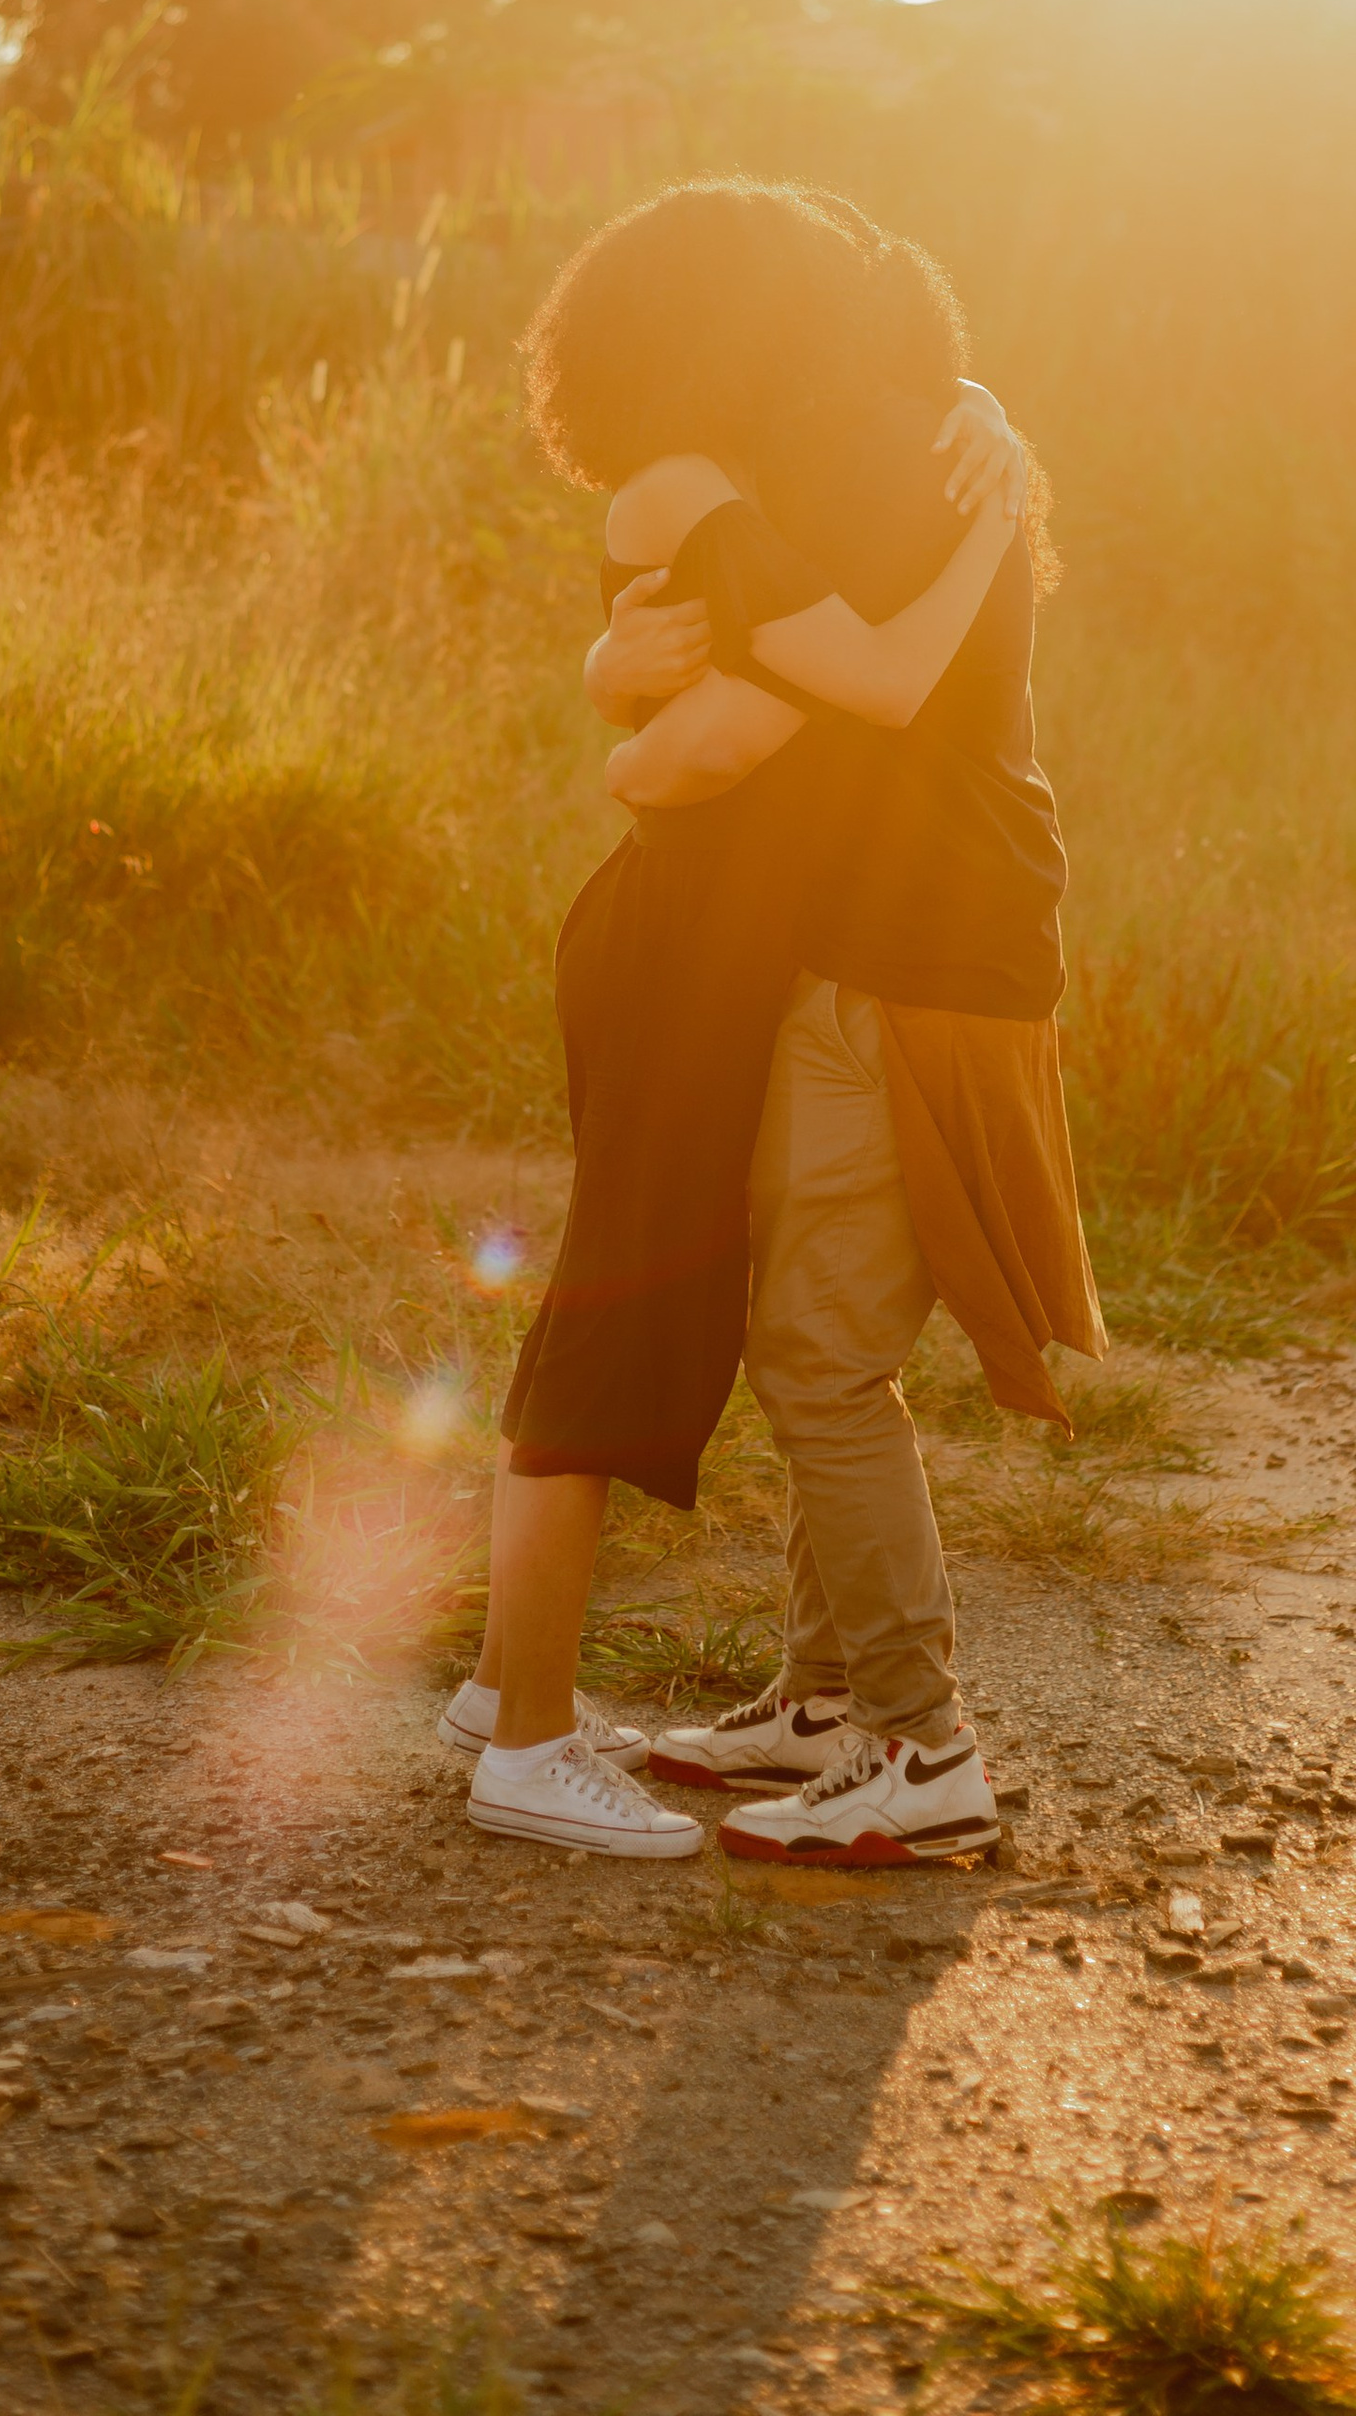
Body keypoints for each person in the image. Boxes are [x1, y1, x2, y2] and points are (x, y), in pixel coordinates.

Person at [445, 182, 1030, 1857]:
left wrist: (619, 709)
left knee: (732, 1319)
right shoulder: (713, 491)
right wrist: (1000, 511)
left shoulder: (762, 484)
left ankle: (543, 1696)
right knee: (647, 1320)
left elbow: (689, 702)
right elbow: (778, 711)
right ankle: (535, 1731)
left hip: (738, 946)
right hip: (694, 946)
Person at [607, 250, 1100, 1871]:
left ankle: (920, 1745)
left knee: (821, 1359)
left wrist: (630, 749)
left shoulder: (884, 481)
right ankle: (826, 1703)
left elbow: (743, 729)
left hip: (914, 965)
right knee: (815, 1334)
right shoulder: (933, 452)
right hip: (905, 952)